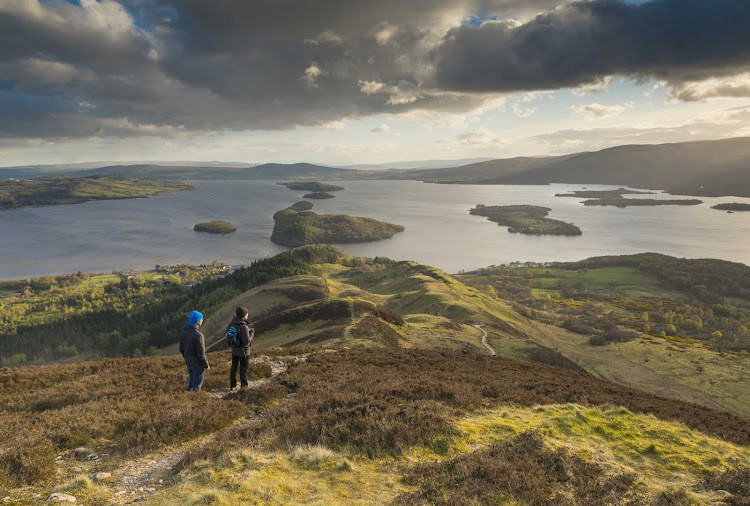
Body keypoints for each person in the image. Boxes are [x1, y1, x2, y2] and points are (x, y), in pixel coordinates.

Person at [179, 310, 210, 391]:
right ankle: (195, 398)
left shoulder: (183, 332)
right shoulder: (199, 335)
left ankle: (189, 397)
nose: (202, 320)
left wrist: (187, 357)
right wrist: (206, 365)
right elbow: (201, 354)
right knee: (197, 384)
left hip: (188, 360)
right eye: (201, 319)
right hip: (197, 363)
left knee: (191, 379)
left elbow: (181, 348)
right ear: (197, 321)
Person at [226, 306, 255, 389]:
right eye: (247, 313)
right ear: (244, 315)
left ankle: (233, 385)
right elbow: (246, 341)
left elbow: (227, 333)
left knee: (234, 368)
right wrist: (252, 333)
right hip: (244, 352)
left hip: (234, 350)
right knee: (243, 370)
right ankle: (244, 386)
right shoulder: (244, 327)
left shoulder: (232, 323)